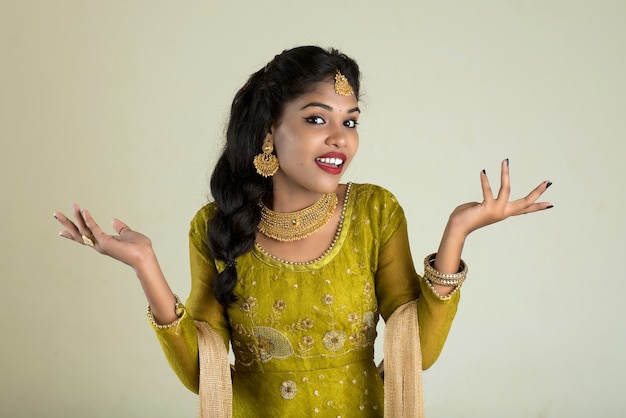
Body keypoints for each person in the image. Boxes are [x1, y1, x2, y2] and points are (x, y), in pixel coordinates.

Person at [53, 46, 552, 417]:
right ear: (270, 131)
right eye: (317, 118)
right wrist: (146, 266)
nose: (341, 139)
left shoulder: (375, 213)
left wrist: (456, 234)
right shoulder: (218, 225)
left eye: (350, 122)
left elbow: (413, 351)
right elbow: (202, 375)